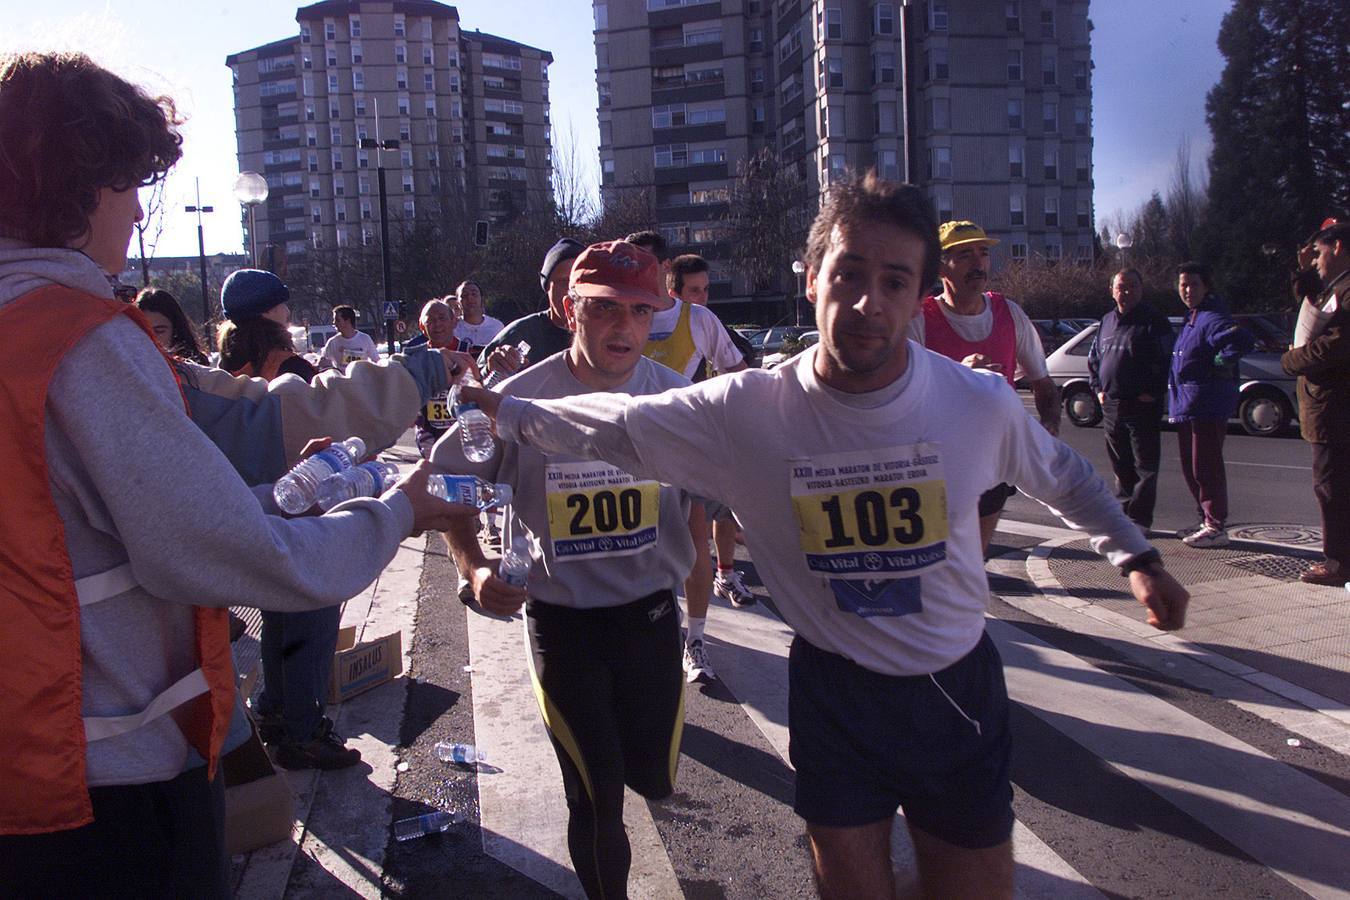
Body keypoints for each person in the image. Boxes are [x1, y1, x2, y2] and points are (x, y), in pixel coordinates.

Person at [458, 172, 1188, 899]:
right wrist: (507, 411)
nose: (870, 302)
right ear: (812, 281)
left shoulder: (976, 403)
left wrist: (1136, 555)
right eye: (849, 274)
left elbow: (1065, 477)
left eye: (896, 281)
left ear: (919, 296)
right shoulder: (749, 409)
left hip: (953, 689)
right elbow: (613, 428)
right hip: (832, 692)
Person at [0, 50, 477, 896]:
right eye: (127, 182)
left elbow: (90, 530)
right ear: (79, 184)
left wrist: (269, 497)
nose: (139, 209)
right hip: (96, 785)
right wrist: (398, 512)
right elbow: (230, 554)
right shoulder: (77, 339)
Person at [431, 240, 693, 900]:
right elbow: (443, 491)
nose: (625, 327)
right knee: (597, 795)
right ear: (567, 308)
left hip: (651, 618)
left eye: (642, 311)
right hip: (562, 626)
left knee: (654, 779)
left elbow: (729, 492)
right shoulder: (513, 403)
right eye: (605, 309)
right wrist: (475, 568)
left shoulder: (679, 402)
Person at [626, 238, 750, 682]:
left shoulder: (696, 318)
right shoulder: (617, 313)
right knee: (637, 553)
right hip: (628, 454)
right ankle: (646, 636)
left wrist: (717, 423)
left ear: (663, 267)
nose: (630, 269)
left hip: (683, 452)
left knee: (698, 545)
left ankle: (694, 639)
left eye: (639, 262)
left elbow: (736, 375)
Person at [908, 220, 1060, 554]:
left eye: (983, 254)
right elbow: (902, 400)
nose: (978, 264)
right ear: (940, 266)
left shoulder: (1010, 314)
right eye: (964, 255)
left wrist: (1046, 435)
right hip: (937, 466)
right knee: (937, 563)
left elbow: (1045, 386)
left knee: (974, 559)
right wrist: (957, 379)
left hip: (994, 461)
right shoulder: (918, 319)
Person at [1168, 261, 1255, 548]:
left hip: (1205, 403)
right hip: (1188, 404)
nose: (1188, 289)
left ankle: (1216, 525)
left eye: (1193, 284)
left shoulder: (1211, 317)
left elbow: (1241, 339)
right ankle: (1205, 519)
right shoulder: (1193, 316)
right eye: (1183, 284)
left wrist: (1221, 362)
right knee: (1192, 467)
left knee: (1206, 467)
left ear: (1206, 287)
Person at [1282, 218, 1350, 586]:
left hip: (1336, 410)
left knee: (1333, 488)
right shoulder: (1337, 286)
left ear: (1338, 247)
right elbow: (1312, 307)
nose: (1317, 260)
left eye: (1320, 253)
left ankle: (1338, 564)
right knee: (1333, 486)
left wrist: (1291, 359)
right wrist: (1303, 269)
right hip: (1328, 409)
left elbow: (1336, 344)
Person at [1088, 269, 1174, 532]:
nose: (1126, 292)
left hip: (1142, 405)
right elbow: (1095, 359)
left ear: (1141, 289)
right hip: (1112, 404)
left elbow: (1169, 360)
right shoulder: (1106, 321)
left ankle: (1139, 520)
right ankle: (1123, 514)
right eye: (1121, 287)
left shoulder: (1154, 321)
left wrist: (1154, 391)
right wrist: (1098, 389)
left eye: (1132, 286)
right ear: (1111, 290)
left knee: (1145, 466)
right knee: (1120, 464)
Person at [478, 237, 584, 380]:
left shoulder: (605, 335)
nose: (572, 291)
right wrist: (490, 368)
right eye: (564, 282)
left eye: (581, 282)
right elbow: (467, 383)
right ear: (547, 287)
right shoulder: (522, 333)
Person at [217, 269, 318, 381]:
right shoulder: (292, 367)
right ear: (266, 310)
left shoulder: (221, 369)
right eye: (282, 304)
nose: (287, 311)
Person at [135, 287, 209, 364]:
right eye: (144, 331)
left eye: (159, 331)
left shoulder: (196, 370)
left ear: (175, 331)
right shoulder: (127, 368)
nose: (152, 338)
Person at [453, 279, 504, 355]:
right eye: (465, 295)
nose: (470, 298)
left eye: (474, 294)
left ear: (481, 299)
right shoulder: (452, 328)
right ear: (458, 303)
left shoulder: (497, 327)